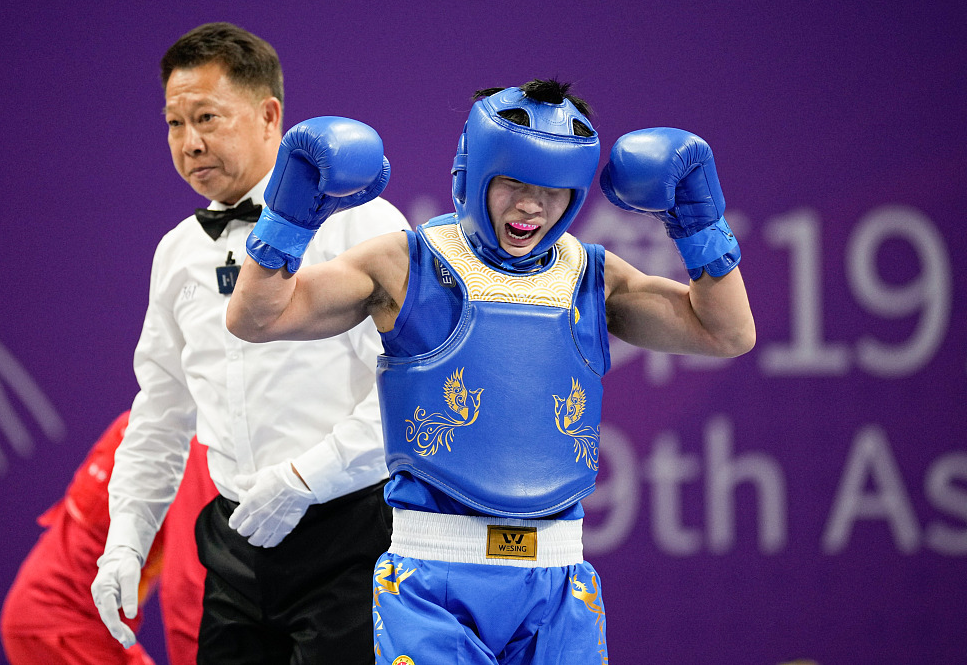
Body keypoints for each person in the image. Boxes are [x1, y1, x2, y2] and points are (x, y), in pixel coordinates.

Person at [226, 78, 756, 664]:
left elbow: (727, 333)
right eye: (515, 183)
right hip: (432, 582)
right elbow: (258, 318)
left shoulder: (592, 276)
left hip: (558, 583)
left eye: (553, 190)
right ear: (472, 173)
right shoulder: (404, 265)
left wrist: (699, 224)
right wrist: (289, 217)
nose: (532, 206)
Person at [90, 22, 409, 664]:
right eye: (175, 124)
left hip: (351, 534)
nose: (191, 142)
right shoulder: (177, 252)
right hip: (233, 543)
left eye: (207, 117)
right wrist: (125, 537)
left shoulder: (362, 222)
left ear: (270, 117)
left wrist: (304, 479)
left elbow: (409, 392)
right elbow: (161, 408)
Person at [0, 411, 217, 665]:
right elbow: (189, 584)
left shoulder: (147, 416)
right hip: (65, 627)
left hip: (52, 622)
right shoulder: (193, 439)